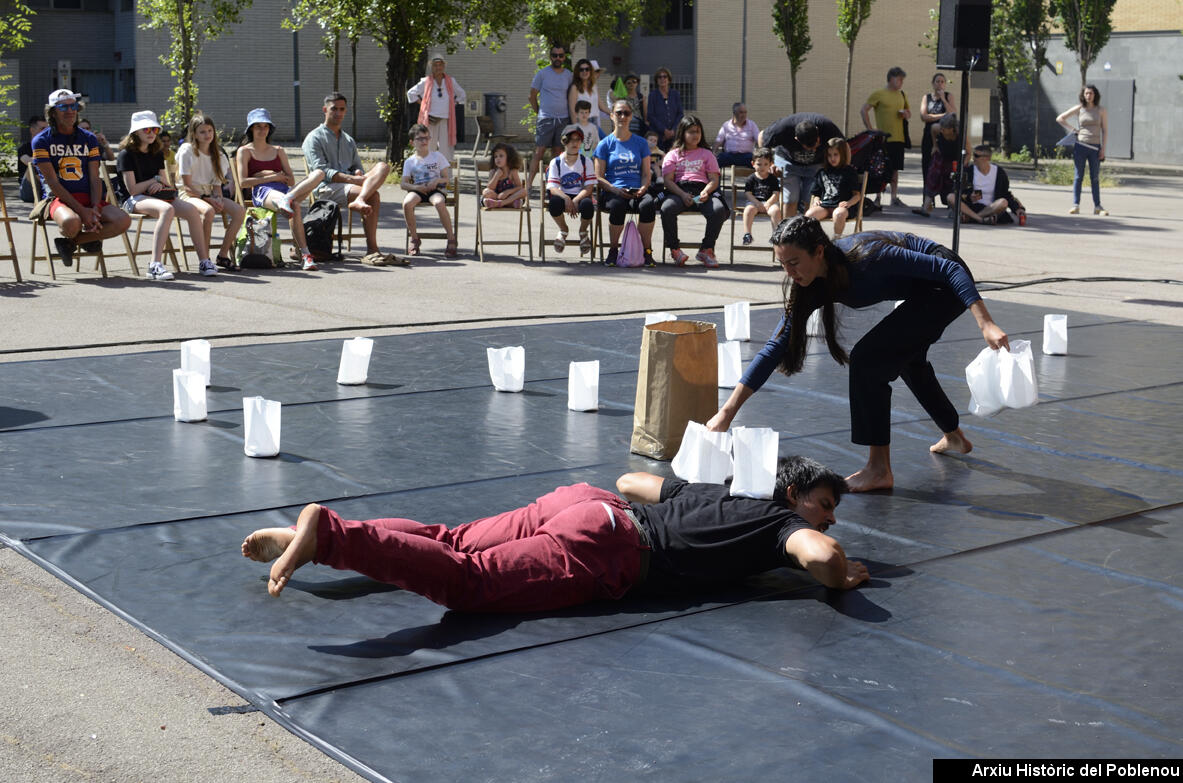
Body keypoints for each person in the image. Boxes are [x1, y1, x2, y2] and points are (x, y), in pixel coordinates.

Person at [241, 455, 869, 611]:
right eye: (823, 504)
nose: (828, 517)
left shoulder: (723, 490)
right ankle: (329, 536)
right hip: (612, 548)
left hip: (584, 503)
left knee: (453, 538)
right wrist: (843, 573)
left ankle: (331, 533)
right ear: (792, 495)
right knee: (469, 585)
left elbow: (629, 481)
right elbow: (820, 554)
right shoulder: (781, 523)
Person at [706, 216, 1010, 493]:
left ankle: (879, 470)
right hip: (924, 290)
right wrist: (726, 413)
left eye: (795, 262)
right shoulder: (809, 284)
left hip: (947, 283)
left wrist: (986, 323)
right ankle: (955, 437)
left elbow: (949, 269)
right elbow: (775, 347)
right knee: (907, 359)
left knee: (868, 360)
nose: (789, 272)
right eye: (783, 264)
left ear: (819, 251)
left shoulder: (867, 257)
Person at [31, 89, 132, 268]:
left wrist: (94, 207)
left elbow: (95, 178)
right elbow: (53, 183)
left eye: (74, 106)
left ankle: (72, 243)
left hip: (88, 197)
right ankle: (86, 238)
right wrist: (83, 212)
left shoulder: (89, 139)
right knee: (72, 223)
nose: (70, 111)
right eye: (63, 107)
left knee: (123, 220)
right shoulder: (41, 141)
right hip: (59, 198)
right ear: (53, 112)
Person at [114, 110, 217, 279]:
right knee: (167, 209)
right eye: (146, 130)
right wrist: (152, 182)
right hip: (134, 200)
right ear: (136, 132)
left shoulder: (156, 152)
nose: (152, 133)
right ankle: (154, 265)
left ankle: (204, 261)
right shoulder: (126, 155)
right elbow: (132, 189)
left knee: (191, 210)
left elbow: (164, 182)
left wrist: (157, 182)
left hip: (158, 196)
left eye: (154, 130)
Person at [303, 92, 393, 265]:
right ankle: (372, 249)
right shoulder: (314, 138)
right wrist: (353, 180)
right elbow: (321, 172)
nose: (338, 113)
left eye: (342, 109)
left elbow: (356, 166)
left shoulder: (348, 139)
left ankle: (360, 199)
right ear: (325, 110)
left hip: (350, 185)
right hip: (326, 188)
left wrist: (358, 173)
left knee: (383, 167)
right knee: (373, 196)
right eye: (334, 109)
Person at [236, 107, 325, 271]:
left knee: (319, 173)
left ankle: (288, 199)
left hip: (287, 191)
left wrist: (264, 174)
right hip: (264, 192)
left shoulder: (278, 150)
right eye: (258, 126)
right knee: (295, 206)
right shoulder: (245, 151)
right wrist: (273, 176)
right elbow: (243, 183)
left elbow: (290, 179)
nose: (262, 130)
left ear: (270, 129)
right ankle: (306, 255)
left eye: (265, 126)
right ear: (251, 129)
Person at [176, 111, 245, 271]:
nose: (207, 135)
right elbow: (187, 186)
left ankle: (222, 255)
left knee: (240, 211)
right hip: (189, 194)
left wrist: (218, 199)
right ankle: (204, 260)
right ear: (194, 134)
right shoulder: (187, 150)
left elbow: (216, 186)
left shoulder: (218, 154)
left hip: (208, 195)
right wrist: (209, 199)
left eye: (210, 131)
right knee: (208, 212)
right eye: (202, 132)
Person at [660, 114, 729, 268]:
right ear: (683, 133)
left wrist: (705, 192)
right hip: (680, 191)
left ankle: (706, 249)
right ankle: (675, 250)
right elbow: (668, 181)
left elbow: (714, 180)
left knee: (718, 210)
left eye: (697, 131)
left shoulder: (707, 154)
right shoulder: (673, 154)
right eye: (691, 131)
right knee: (667, 209)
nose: (695, 135)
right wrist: (682, 194)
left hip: (701, 192)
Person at [594, 99, 656, 266]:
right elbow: (598, 177)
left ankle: (646, 251)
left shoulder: (641, 143)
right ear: (612, 116)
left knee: (648, 204)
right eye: (619, 113)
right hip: (614, 190)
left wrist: (644, 187)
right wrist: (614, 189)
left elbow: (645, 173)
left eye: (626, 113)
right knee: (617, 205)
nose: (622, 116)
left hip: (637, 190)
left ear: (631, 117)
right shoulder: (604, 144)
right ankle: (613, 251)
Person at [758, 112, 843, 217]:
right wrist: (769, 163)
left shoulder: (826, 126)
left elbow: (844, 146)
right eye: (809, 147)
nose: (814, 148)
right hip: (788, 162)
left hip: (816, 166)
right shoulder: (783, 128)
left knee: (812, 201)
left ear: (817, 131)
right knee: (790, 199)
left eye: (816, 143)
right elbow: (762, 136)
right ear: (797, 139)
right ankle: (789, 230)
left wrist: (843, 168)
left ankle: (806, 230)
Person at [401, 123, 457, 258]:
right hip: (419, 189)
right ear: (412, 142)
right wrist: (416, 187)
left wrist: (437, 181)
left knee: (438, 202)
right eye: (420, 139)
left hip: (436, 189)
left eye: (426, 138)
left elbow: (446, 179)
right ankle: (414, 239)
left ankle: (451, 238)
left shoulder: (437, 156)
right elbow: (403, 183)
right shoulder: (410, 161)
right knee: (407, 203)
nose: (424, 141)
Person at [860, 66, 911, 207]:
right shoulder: (879, 94)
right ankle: (878, 197)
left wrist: (906, 114)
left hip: (898, 138)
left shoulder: (902, 94)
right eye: (899, 79)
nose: (901, 82)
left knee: (895, 169)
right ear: (891, 78)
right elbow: (864, 110)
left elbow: (908, 112)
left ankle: (894, 197)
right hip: (883, 138)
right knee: (880, 168)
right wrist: (870, 129)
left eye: (902, 79)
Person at [527, 43, 574, 192]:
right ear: (550, 57)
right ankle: (528, 184)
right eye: (555, 55)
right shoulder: (542, 74)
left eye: (560, 55)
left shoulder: (569, 75)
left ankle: (553, 184)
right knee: (539, 152)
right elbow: (532, 96)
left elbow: (572, 96)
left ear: (564, 57)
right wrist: (539, 112)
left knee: (558, 153)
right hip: (546, 119)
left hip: (564, 119)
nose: (557, 58)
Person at [1056, 84, 1108, 216]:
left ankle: (1098, 206)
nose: (1089, 96)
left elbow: (1105, 130)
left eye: (1091, 93)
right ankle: (1075, 205)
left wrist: (1103, 149)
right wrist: (1073, 129)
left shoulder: (1101, 110)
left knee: (1094, 178)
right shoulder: (1079, 108)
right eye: (1086, 93)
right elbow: (1060, 118)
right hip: (1080, 147)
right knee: (1078, 176)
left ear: (1095, 95)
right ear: (1083, 95)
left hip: (1095, 148)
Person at [545, 125, 596, 255]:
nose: (574, 143)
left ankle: (583, 232)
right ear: (564, 141)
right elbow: (552, 187)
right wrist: (566, 198)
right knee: (554, 203)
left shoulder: (586, 161)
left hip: (581, 194)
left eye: (578, 139)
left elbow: (589, 187)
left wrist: (576, 200)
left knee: (588, 205)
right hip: (562, 194)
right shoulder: (556, 162)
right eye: (571, 139)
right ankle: (563, 230)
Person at [405, 56, 466, 165]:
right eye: (435, 65)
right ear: (431, 67)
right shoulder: (426, 81)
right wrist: (423, 104)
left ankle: (446, 176)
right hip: (430, 120)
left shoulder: (450, 81)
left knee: (446, 149)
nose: (438, 68)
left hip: (446, 120)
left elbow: (462, 95)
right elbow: (411, 93)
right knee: (429, 146)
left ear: (444, 66)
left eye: (440, 65)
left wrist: (454, 103)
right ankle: (427, 172)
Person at [805, 138, 862, 238]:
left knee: (838, 214)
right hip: (825, 206)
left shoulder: (849, 172)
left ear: (842, 155)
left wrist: (848, 203)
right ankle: (814, 241)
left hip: (843, 208)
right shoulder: (822, 172)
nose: (832, 158)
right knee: (809, 214)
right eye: (829, 155)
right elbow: (816, 194)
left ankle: (837, 240)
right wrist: (816, 200)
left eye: (836, 154)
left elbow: (857, 196)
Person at [959, 145, 1026, 226]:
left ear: (987, 158)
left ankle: (972, 218)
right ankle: (980, 219)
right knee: (951, 197)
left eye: (976, 156)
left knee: (1003, 202)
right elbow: (961, 191)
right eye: (973, 155)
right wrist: (970, 196)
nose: (973, 158)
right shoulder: (968, 171)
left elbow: (1006, 194)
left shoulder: (999, 173)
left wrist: (1018, 208)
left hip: (993, 208)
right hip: (972, 207)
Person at [914, 114, 960, 217]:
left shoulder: (959, 133)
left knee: (953, 182)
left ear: (952, 129)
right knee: (932, 177)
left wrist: (963, 164)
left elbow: (968, 151)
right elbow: (933, 130)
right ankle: (925, 208)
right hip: (942, 155)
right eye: (941, 128)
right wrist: (935, 145)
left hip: (955, 158)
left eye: (945, 129)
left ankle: (953, 208)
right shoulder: (937, 128)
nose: (942, 131)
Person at [741, 147, 781, 246]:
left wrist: (768, 203)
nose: (762, 167)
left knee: (776, 211)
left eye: (765, 164)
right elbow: (748, 193)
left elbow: (776, 193)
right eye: (759, 164)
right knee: (748, 210)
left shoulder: (773, 179)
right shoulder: (751, 178)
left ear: (771, 164)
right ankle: (747, 234)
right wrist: (757, 203)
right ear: (753, 164)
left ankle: (775, 235)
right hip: (754, 202)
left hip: (770, 203)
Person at [919, 73, 954, 187]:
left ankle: (946, 195)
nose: (940, 84)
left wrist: (943, 99)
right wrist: (942, 115)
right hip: (929, 135)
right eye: (937, 81)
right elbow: (924, 117)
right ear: (933, 84)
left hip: (944, 136)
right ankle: (928, 198)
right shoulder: (926, 97)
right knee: (927, 165)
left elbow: (953, 114)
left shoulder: (949, 96)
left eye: (942, 82)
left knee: (945, 166)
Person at [567, 58, 611, 133]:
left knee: (599, 143)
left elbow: (601, 105)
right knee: (590, 144)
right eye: (581, 69)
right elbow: (572, 110)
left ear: (590, 71)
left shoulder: (594, 86)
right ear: (578, 72)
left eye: (587, 69)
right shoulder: (574, 88)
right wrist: (576, 128)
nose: (584, 71)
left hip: (595, 120)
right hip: (582, 122)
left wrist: (614, 113)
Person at [480, 142, 527, 209]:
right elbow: (490, 187)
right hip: (495, 196)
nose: (498, 158)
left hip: (508, 196)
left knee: (524, 191)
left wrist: (508, 192)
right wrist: (496, 176)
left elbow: (519, 187)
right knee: (486, 191)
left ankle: (501, 203)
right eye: (495, 156)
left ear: (509, 157)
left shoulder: (512, 171)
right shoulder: (493, 171)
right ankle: (509, 203)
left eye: (501, 156)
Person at [647, 67, 683, 152]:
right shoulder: (653, 95)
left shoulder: (675, 94)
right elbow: (650, 115)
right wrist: (664, 130)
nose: (662, 79)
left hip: (674, 135)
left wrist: (673, 130)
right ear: (656, 80)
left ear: (669, 79)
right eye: (659, 77)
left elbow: (680, 114)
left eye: (665, 76)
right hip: (658, 135)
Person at [714, 103, 760, 169]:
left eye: (745, 112)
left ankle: (755, 179)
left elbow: (758, 139)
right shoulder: (726, 125)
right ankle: (714, 179)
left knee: (758, 162)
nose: (744, 115)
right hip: (729, 156)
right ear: (734, 113)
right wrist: (713, 153)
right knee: (715, 162)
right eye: (741, 112)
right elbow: (718, 140)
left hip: (747, 156)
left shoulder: (752, 125)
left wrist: (762, 152)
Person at [18, 116, 48, 203]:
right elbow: (27, 161)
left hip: (46, 184)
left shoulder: (51, 146)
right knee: (32, 165)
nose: (46, 132)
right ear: (32, 130)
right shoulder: (24, 148)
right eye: (42, 128)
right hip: (28, 190)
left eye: (48, 129)